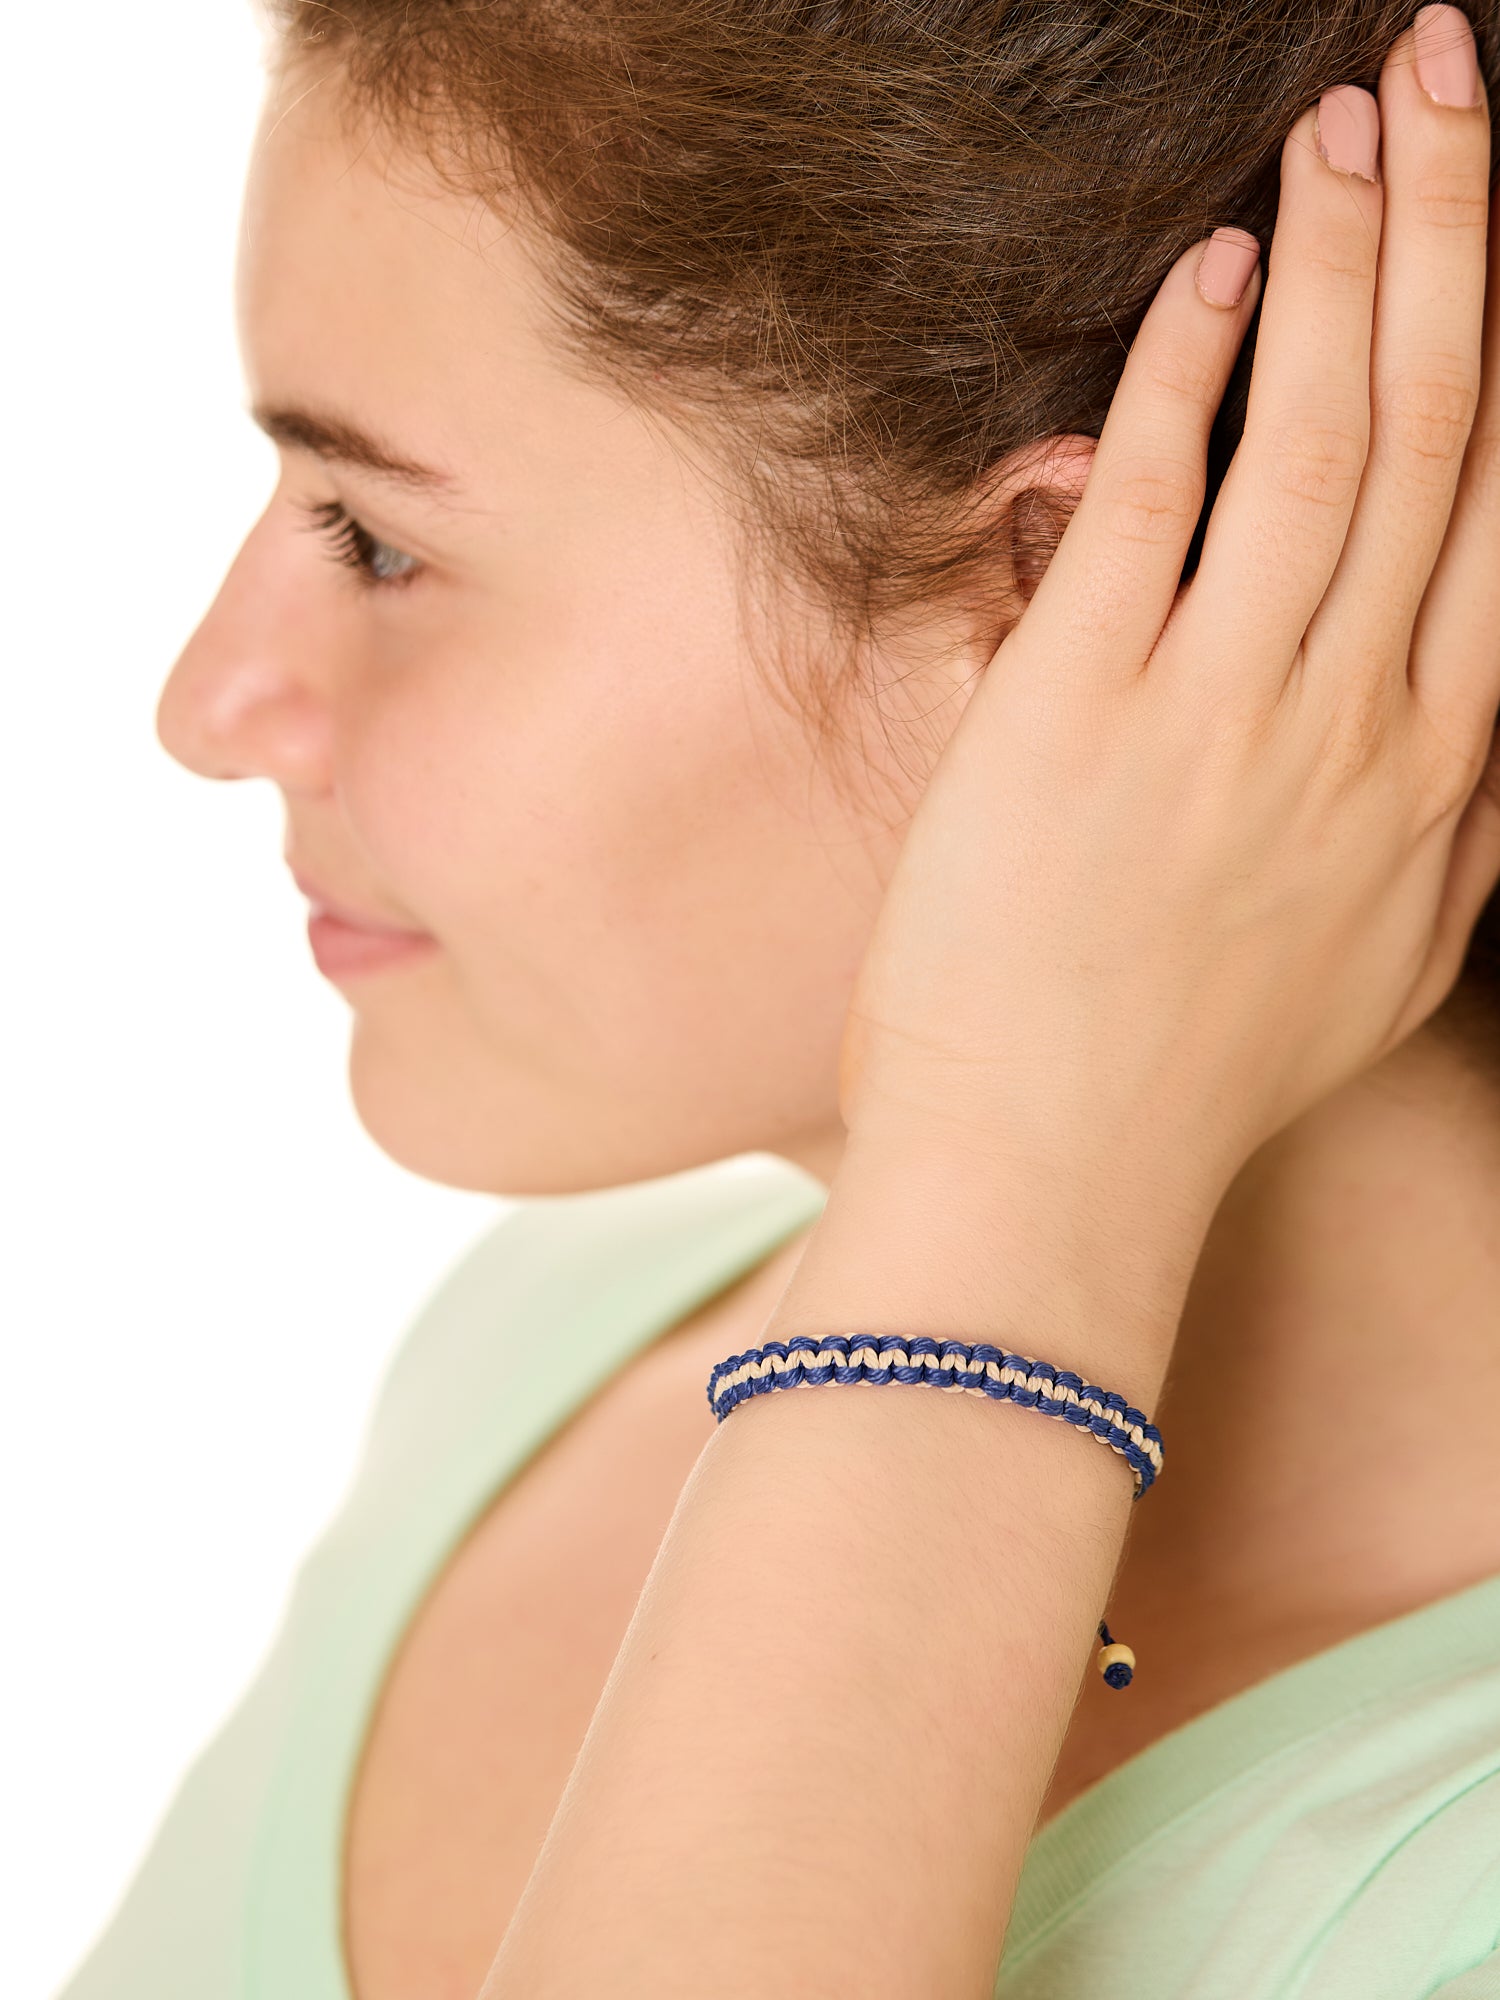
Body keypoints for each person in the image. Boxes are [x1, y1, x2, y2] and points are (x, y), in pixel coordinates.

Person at [57, 1, 1500, 1995]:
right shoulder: (547, 1359)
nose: (208, 709)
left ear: (1085, 588)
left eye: (379, 541)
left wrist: (1012, 1212)